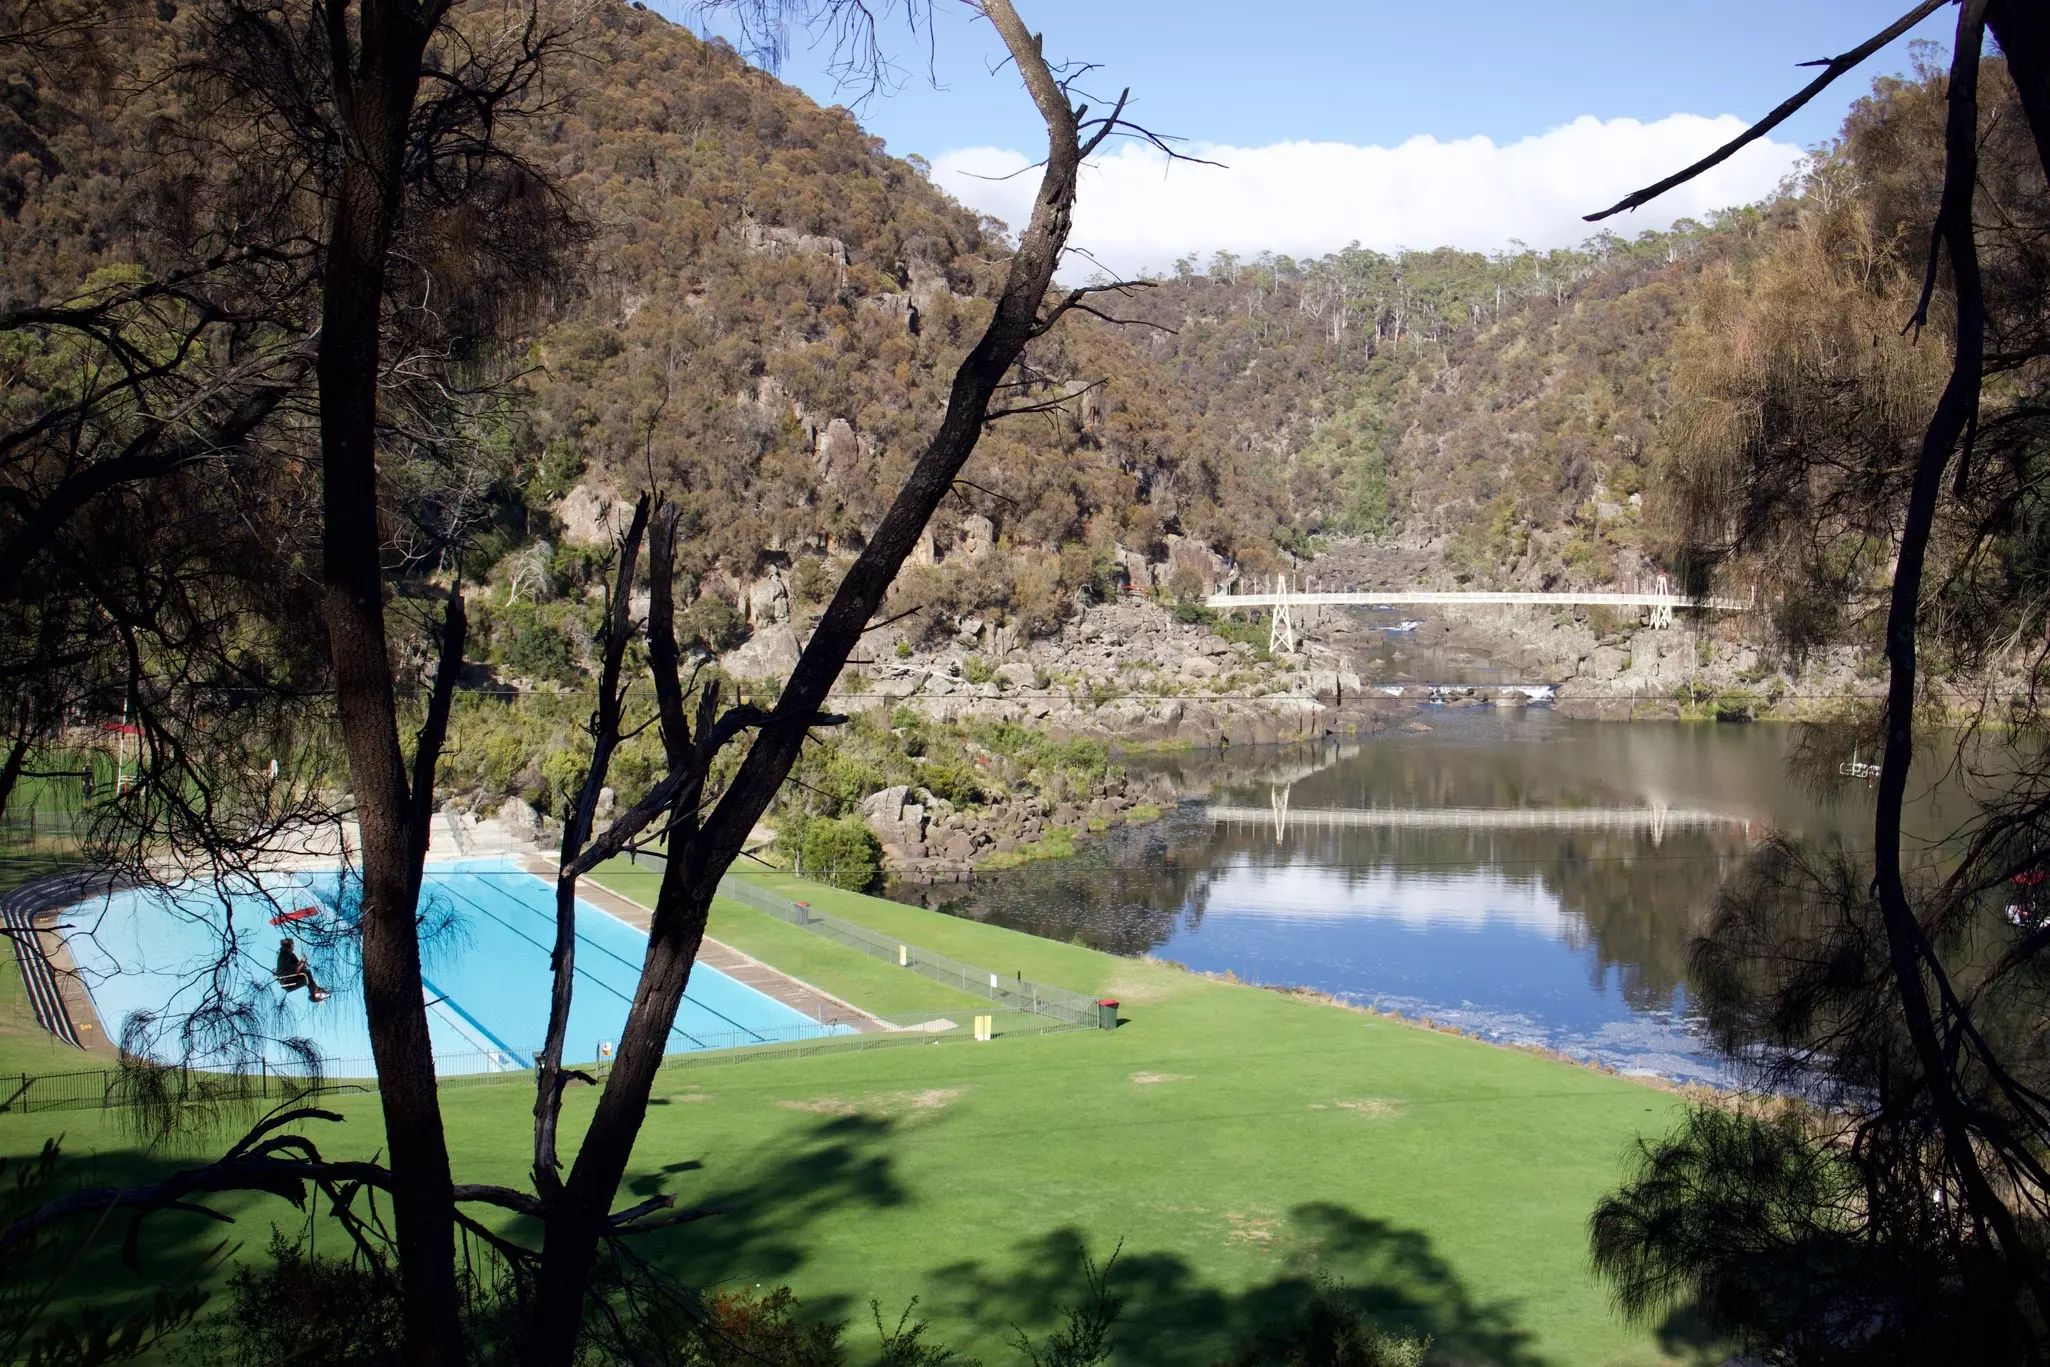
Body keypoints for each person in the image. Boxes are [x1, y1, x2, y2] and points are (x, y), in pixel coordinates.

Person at [274, 937, 330, 1002]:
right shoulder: (285, 956)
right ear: (290, 945)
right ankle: (315, 992)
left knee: (306, 974)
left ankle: (315, 991)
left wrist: (302, 961)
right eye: (293, 945)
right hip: (287, 979)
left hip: (290, 977)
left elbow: (297, 965)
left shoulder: (290, 955)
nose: (294, 947)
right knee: (306, 974)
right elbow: (296, 970)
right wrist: (303, 962)